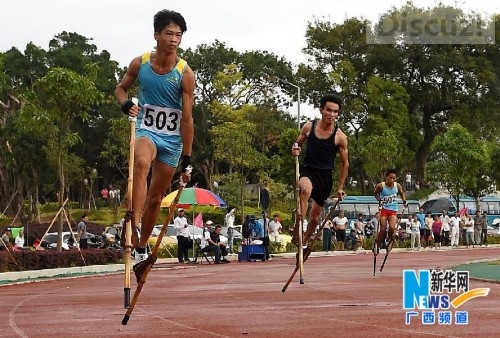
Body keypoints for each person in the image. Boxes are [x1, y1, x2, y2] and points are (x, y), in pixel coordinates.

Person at [114, 9, 194, 268]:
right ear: (156, 35)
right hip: (146, 130)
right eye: (169, 34)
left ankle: (141, 245)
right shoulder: (141, 63)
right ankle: (133, 225)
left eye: (178, 35)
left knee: (157, 199)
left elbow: (187, 119)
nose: (174, 40)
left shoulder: (185, 74)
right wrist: (125, 105)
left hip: (172, 140)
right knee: (140, 163)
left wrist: (188, 158)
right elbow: (120, 89)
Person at [290, 93, 349, 249]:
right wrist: (295, 149)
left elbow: (345, 164)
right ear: (321, 110)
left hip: (325, 177)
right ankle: (299, 222)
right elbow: (297, 143)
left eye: (335, 112)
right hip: (308, 171)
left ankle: (304, 240)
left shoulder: (340, 137)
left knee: (315, 219)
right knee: (305, 190)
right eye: (328, 110)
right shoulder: (309, 127)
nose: (331, 114)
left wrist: (340, 187)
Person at [373, 169, 407, 254]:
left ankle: (388, 240)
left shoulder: (397, 186)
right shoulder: (381, 186)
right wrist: (379, 200)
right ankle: (377, 243)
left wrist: (404, 201)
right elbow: (375, 193)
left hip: (393, 210)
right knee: (383, 228)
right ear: (386, 177)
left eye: (393, 178)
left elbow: (402, 193)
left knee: (392, 227)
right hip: (384, 209)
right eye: (390, 178)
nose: (391, 180)